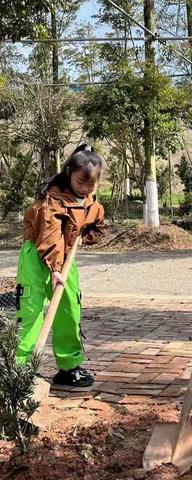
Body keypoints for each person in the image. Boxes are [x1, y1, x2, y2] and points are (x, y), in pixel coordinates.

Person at [16, 144, 106, 387]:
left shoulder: (91, 202)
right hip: (37, 256)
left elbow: (97, 225)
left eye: (91, 184)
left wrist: (86, 235)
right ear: (69, 174)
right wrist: (55, 270)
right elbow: (50, 236)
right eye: (80, 183)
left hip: (66, 258)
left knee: (69, 308)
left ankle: (68, 367)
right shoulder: (51, 201)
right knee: (31, 310)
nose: (85, 188)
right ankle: (20, 369)